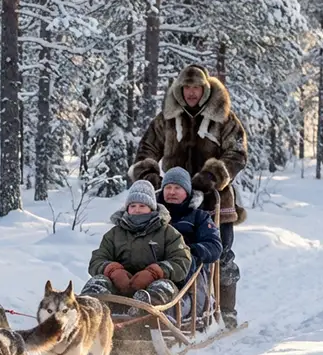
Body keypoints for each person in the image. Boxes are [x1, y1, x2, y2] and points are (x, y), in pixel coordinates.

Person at [127, 63, 248, 327]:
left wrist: (210, 178)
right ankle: (172, 306)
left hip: (214, 199)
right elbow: (146, 149)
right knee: (166, 253)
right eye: (187, 88)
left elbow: (237, 153)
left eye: (196, 88)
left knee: (221, 255)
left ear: (205, 89)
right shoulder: (167, 119)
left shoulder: (224, 118)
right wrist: (151, 178)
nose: (191, 93)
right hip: (172, 200)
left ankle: (226, 310)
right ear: (180, 89)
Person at [80, 180, 192, 314]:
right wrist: (112, 270)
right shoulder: (114, 234)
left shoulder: (168, 233)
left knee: (162, 288)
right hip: (119, 287)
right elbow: (97, 259)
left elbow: (181, 261)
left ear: (151, 208)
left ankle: (139, 319)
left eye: (142, 205)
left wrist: (154, 273)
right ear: (127, 208)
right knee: (96, 283)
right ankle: (90, 317)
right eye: (133, 205)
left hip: (154, 285)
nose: (137, 210)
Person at [157, 167, 223, 319]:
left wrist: (189, 252)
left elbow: (214, 246)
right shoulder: (151, 213)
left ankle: (169, 313)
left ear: (187, 191)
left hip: (189, 277)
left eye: (177, 188)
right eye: (168, 187)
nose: (171, 192)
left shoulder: (199, 217)